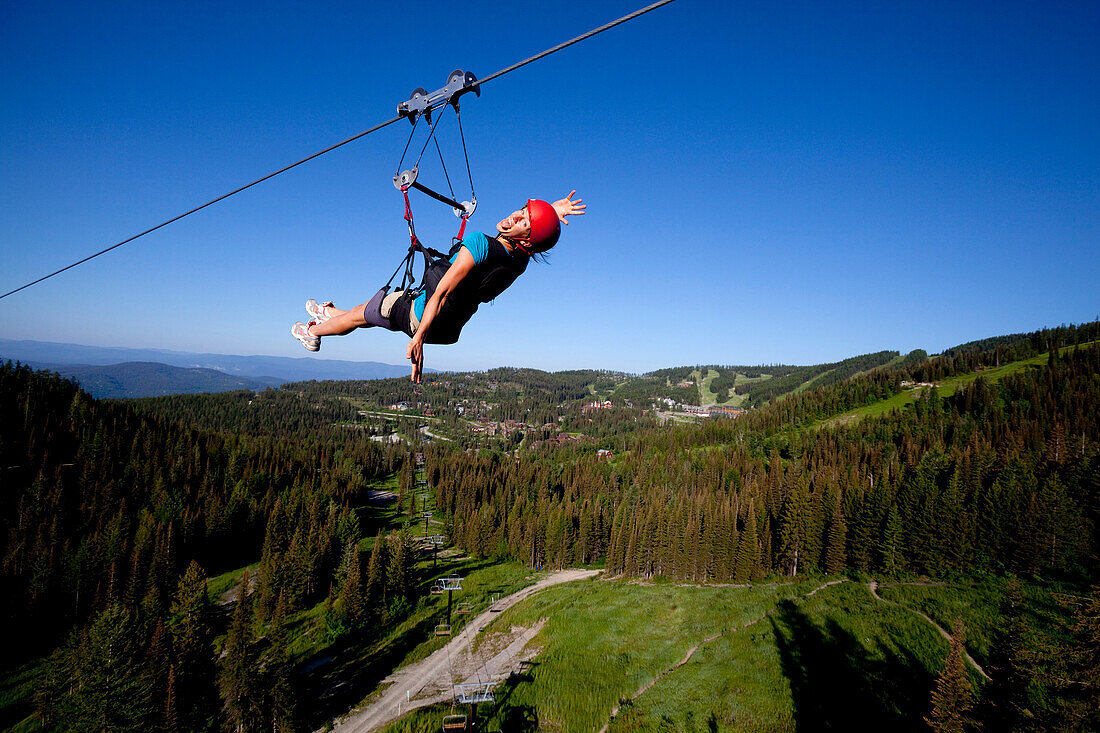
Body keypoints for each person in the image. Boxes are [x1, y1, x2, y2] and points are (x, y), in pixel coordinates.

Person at [292, 191, 584, 382]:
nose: (515, 217)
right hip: (447, 329)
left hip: (421, 316)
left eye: (524, 221)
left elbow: (442, 292)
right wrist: (552, 213)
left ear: (526, 239)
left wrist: (418, 338)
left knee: (363, 316)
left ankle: (313, 333)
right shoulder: (518, 261)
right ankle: (328, 313)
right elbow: (534, 241)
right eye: (522, 209)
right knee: (373, 308)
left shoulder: (481, 244)